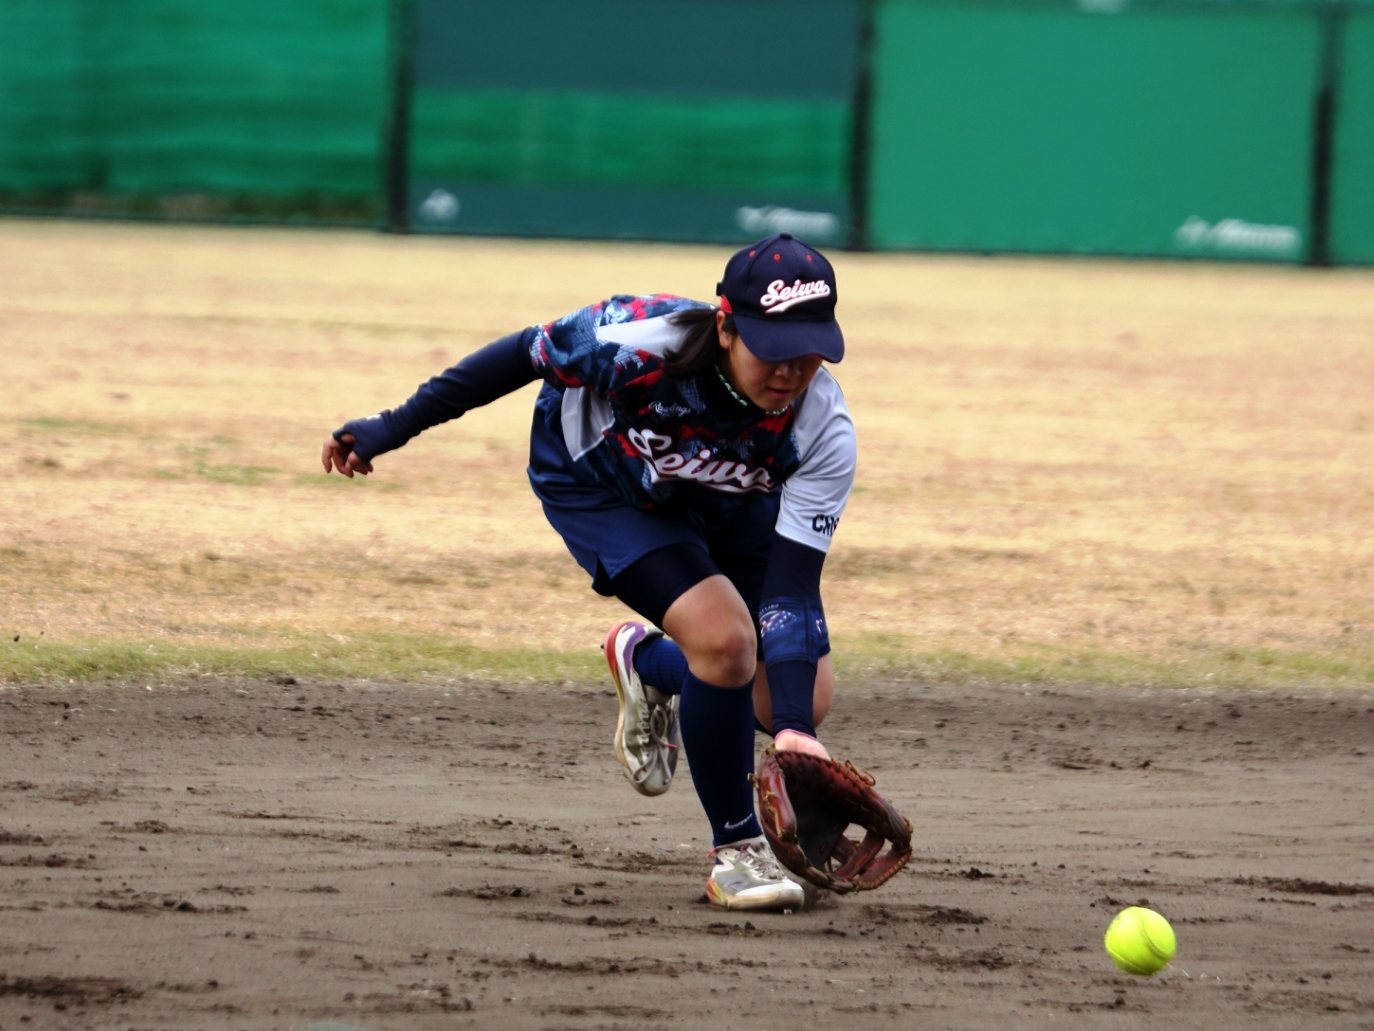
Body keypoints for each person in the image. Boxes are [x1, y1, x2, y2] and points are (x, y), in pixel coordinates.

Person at [321, 233, 855, 912]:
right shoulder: (633, 343)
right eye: (774, 350)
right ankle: (736, 853)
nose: (791, 372)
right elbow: (518, 355)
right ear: (726, 326)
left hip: (727, 493)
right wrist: (392, 426)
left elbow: (792, 588)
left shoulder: (821, 425)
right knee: (725, 640)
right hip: (602, 484)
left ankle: (649, 663)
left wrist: (791, 731)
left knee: (798, 697)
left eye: (810, 352)